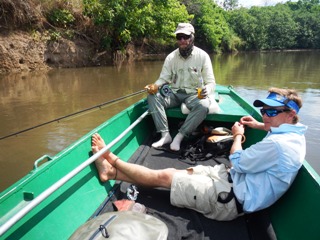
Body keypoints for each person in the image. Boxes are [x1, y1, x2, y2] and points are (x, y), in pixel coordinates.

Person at [91, 87, 307, 221]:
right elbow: (273, 130)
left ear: (290, 115)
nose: (265, 115)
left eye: (271, 112)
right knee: (171, 172)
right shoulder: (294, 133)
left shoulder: (278, 145)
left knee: (165, 176)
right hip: (232, 180)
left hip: (229, 200)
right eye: (263, 111)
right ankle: (112, 172)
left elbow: (237, 160)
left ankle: (111, 161)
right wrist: (260, 125)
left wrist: (238, 136)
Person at [144, 22, 216, 151]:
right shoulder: (171, 57)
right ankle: (165, 135)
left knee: (204, 105)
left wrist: (207, 89)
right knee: (152, 96)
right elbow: (164, 78)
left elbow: (211, 82)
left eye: (185, 36)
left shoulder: (203, 56)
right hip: (175, 94)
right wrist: (155, 85)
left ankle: (179, 136)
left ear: (192, 37)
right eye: (179, 37)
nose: (182, 40)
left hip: (194, 95)